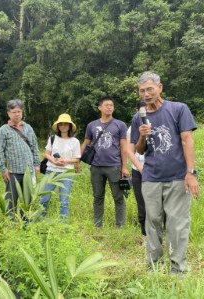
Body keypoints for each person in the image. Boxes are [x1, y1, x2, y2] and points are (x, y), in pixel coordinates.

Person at [130, 71, 200, 275]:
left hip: (178, 176)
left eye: (150, 89)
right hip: (151, 177)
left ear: (160, 88)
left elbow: (187, 140)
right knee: (151, 222)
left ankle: (178, 268)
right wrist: (142, 136)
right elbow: (140, 150)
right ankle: (154, 265)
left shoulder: (179, 109)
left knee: (177, 224)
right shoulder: (139, 117)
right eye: (142, 91)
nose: (146, 94)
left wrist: (191, 173)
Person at [80, 97, 129, 228]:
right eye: (106, 105)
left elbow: (124, 147)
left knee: (118, 197)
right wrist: (77, 160)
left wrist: (124, 167)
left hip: (114, 166)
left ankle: (120, 226)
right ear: (99, 107)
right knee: (98, 197)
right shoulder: (92, 125)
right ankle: (97, 225)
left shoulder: (120, 125)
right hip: (96, 166)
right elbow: (86, 143)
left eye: (111, 105)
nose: (109, 107)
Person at [0, 99, 40, 213]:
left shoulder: (28, 128)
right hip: (12, 172)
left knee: (27, 200)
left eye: (19, 111)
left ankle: (26, 223)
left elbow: (35, 147)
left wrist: (36, 165)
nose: (17, 114)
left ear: (22, 112)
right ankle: (11, 223)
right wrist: (3, 169)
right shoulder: (3, 130)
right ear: (8, 113)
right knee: (11, 200)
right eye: (14, 111)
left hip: (28, 171)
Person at [40, 113, 81, 222]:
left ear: (70, 126)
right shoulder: (53, 138)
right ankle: (40, 220)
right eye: (61, 124)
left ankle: (63, 225)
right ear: (58, 126)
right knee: (44, 198)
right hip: (51, 171)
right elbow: (47, 153)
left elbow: (77, 158)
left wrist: (65, 161)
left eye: (66, 124)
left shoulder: (75, 141)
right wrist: (54, 161)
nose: (63, 126)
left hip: (66, 173)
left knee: (64, 200)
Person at [127, 101, 147, 236]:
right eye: (141, 110)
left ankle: (162, 231)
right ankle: (144, 231)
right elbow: (130, 150)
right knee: (141, 202)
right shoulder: (132, 127)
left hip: (156, 169)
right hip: (138, 170)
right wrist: (140, 168)